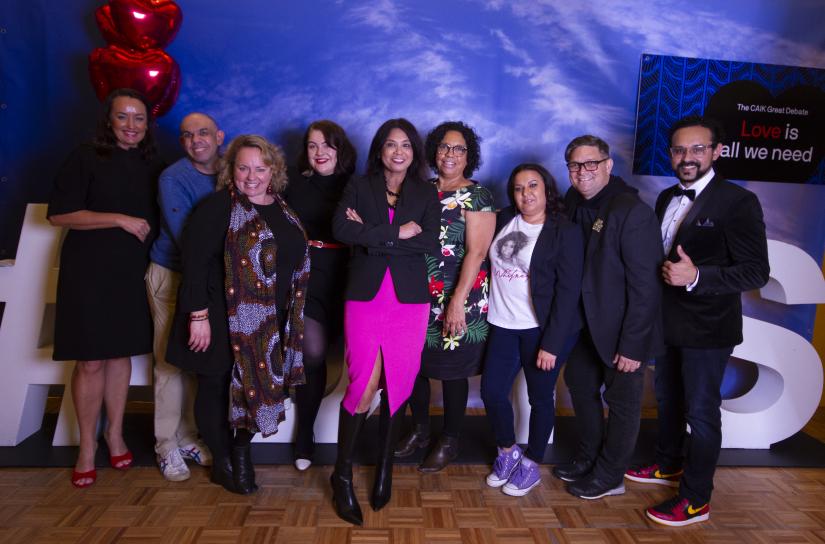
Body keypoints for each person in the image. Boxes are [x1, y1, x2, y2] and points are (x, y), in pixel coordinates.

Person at [625, 116, 769, 526]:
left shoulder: (739, 202)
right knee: (668, 398)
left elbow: (756, 271)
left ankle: (695, 500)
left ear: (717, 152)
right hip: (667, 323)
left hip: (708, 329)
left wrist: (698, 276)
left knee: (701, 412)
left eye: (697, 149)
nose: (687, 157)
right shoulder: (666, 197)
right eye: (679, 150)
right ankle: (668, 463)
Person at [166, 135, 309, 494]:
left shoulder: (283, 207)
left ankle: (241, 452)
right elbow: (194, 264)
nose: (251, 176)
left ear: (273, 170)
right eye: (243, 168)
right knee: (215, 388)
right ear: (231, 170)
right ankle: (223, 461)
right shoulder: (217, 208)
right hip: (218, 316)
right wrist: (197, 316)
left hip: (268, 323)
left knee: (254, 389)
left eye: (260, 168)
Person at [47, 88, 165, 488]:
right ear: (108, 120)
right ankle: (86, 446)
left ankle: (115, 434)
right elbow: (59, 215)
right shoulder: (85, 156)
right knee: (90, 361)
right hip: (88, 272)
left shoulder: (154, 163)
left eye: (139, 118)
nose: (131, 125)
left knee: (119, 355)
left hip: (132, 272)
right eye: (123, 116)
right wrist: (119, 219)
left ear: (147, 125)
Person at [330, 118, 440, 525]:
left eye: (406, 145)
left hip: (409, 302)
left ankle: (384, 468)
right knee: (362, 384)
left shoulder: (425, 192)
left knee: (399, 384)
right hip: (365, 298)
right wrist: (397, 233)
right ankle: (341, 475)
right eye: (391, 144)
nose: (399, 151)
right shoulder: (360, 186)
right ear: (380, 149)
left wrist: (372, 235)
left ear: (414, 153)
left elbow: (429, 241)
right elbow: (342, 229)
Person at [552, 135, 663, 500]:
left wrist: (633, 346)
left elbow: (646, 287)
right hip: (584, 324)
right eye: (575, 165)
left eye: (591, 164)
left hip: (622, 330)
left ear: (608, 165)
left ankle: (611, 476)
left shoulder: (632, 211)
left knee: (623, 403)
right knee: (580, 385)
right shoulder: (572, 200)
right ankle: (589, 457)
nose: (582, 172)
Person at [395, 121, 495, 472]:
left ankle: (450, 439)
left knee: (453, 372)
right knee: (414, 366)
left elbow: (477, 253)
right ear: (434, 151)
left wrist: (456, 302)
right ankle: (421, 430)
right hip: (417, 293)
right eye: (444, 147)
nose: (450, 154)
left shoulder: (478, 196)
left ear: (469, 156)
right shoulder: (419, 190)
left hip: (460, 295)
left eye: (459, 148)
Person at [480, 163, 583, 497]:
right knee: (492, 392)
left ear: (546, 189)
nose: (526, 193)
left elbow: (568, 293)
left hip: (541, 328)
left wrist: (552, 344)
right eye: (519, 187)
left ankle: (532, 462)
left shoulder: (565, 231)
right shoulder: (503, 218)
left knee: (539, 397)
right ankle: (507, 452)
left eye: (533, 185)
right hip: (503, 324)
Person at [146, 112, 224, 481]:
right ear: (182, 142)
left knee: (199, 358)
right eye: (188, 135)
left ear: (219, 136)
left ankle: (189, 437)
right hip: (173, 273)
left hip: (211, 279)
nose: (196, 141)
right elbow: (186, 239)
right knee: (170, 361)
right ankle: (166, 445)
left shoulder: (231, 172)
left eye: (203, 133)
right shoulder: (173, 178)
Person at [284, 120, 356, 471]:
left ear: (341, 149)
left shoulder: (357, 185)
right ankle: (305, 436)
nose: (320, 152)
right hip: (308, 273)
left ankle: (350, 443)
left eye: (327, 145)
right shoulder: (293, 184)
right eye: (312, 146)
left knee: (345, 354)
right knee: (311, 353)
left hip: (349, 275)